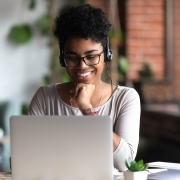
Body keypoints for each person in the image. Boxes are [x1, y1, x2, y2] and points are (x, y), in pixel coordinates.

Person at [28, 4, 140, 171]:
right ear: (62, 58)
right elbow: (23, 159)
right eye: (72, 58)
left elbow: (127, 163)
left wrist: (87, 109)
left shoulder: (125, 98)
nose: (82, 66)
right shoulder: (45, 97)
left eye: (91, 56)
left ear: (106, 55)